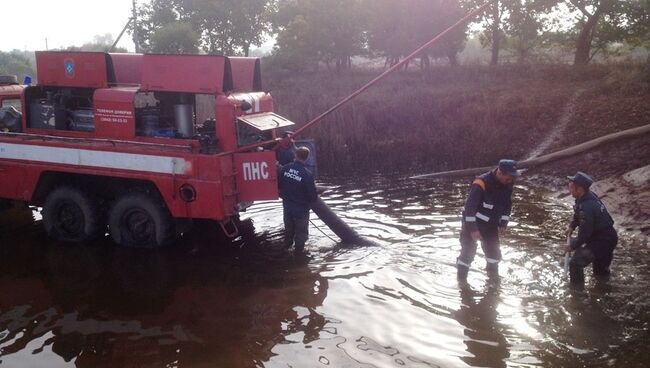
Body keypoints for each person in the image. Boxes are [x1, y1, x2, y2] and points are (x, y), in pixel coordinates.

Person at [456, 159, 520, 279]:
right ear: (500, 172)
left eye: (512, 177)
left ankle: (493, 282)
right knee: (467, 254)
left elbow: (507, 205)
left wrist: (503, 224)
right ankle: (462, 283)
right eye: (509, 177)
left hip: (491, 226)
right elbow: (469, 209)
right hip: (473, 225)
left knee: (494, 255)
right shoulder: (480, 183)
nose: (511, 180)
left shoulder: (508, 184)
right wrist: (473, 229)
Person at [564, 171, 617, 284]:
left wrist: (572, 246)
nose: (569, 188)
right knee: (600, 273)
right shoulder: (586, 197)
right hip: (605, 236)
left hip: (603, 241)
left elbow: (584, 234)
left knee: (575, 263)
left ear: (580, 189)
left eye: (572, 187)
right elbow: (577, 213)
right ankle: (602, 291)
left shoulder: (587, 207)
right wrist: (572, 226)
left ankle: (577, 294)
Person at [279, 146, 318, 253]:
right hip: (301, 210)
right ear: (306, 158)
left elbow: (279, 185)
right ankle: (299, 256)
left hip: (287, 207)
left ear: (295, 155)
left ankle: (286, 251)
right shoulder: (307, 174)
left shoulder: (285, 168)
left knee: (289, 231)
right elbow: (313, 196)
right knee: (301, 234)